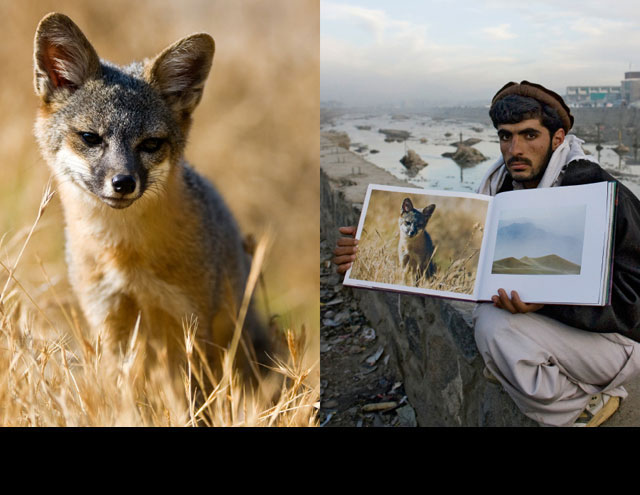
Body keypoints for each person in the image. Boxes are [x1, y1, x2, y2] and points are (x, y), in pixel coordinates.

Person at [332, 81, 640, 427]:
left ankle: (586, 404)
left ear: (558, 139)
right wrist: (366, 255)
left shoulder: (598, 192)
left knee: (495, 327)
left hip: (616, 345)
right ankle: (529, 367)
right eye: (506, 137)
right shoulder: (503, 188)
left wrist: (549, 302)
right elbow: (448, 270)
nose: (515, 149)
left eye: (529, 135)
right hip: (563, 337)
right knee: (484, 310)